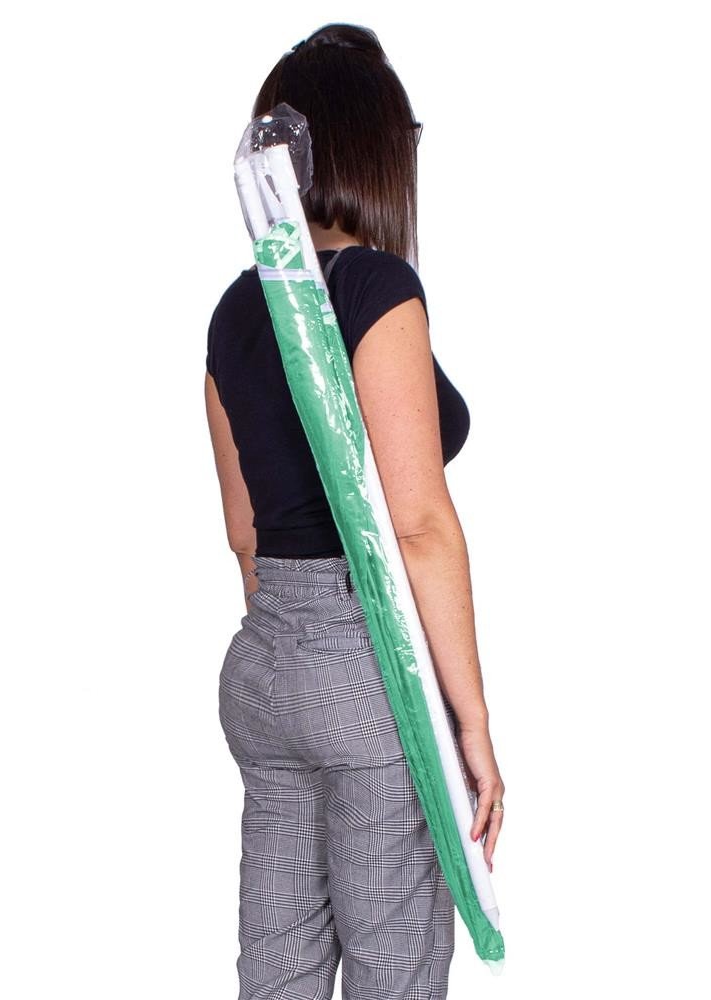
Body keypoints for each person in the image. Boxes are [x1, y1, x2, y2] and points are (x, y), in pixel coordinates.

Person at [205, 22, 505, 1000]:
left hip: (264, 671)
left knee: (278, 969)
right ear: (377, 152)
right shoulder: (377, 290)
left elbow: (245, 535)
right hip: (366, 667)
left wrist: (295, 653)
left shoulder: (237, 310)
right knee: (392, 970)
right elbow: (418, 528)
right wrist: (469, 723)